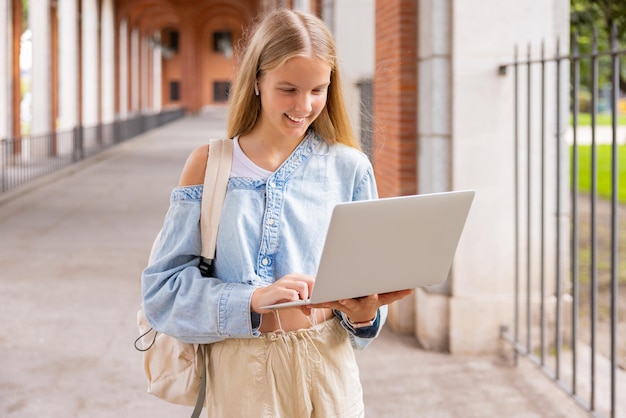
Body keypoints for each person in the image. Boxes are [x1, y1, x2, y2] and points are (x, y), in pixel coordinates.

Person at [142, 8, 413, 417]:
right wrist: (251, 300)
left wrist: (364, 313)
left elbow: (366, 307)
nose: (304, 106)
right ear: (256, 80)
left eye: (318, 90)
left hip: (330, 376)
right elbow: (162, 294)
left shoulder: (350, 168)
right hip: (239, 381)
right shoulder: (210, 165)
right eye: (288, 89)